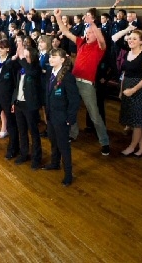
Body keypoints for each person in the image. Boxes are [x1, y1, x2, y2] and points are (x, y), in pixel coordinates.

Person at [53, 8, 109, 154]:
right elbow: (65, 32)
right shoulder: (81, 43)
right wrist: (58, 17)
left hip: (86, 84)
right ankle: (73, 133)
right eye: (87, 32)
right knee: (71, 109)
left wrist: (92, 24)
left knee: (94, 114)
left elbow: (101, 39)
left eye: (90, 32)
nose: (88, 34)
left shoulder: (99, 47)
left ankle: (104, 142)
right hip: (72, 81)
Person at [42, 48, 81, 186]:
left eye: (54, 57)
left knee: (64, 145)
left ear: (62, 60)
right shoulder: (49, 74)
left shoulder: (67, 77)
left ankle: (68, 174)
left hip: (62, 117)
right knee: (53, 140)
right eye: (50, 56)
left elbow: (74, 100)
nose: (51, 59)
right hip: (51, 115)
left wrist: (70, 118)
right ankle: (55, 162)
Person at [115, 29, 142, 157]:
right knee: (136, 120)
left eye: (134, 38)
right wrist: (121, 90)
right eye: (130, 38)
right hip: (127, 86)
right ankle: (141, 147)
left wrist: (133, 89)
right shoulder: (127, 54)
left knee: (138, 121)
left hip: (140, 89)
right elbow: (125, 74)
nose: (130, 40)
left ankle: (132, 146)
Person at [11, 45, 43, 169]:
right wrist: (14, 101)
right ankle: (24, 153)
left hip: (30, 105)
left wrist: (22, 59)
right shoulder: (21, 68)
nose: (25, 58)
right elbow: (16, 85)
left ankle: (36, 158)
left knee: (34, 132)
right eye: (24, 56)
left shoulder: (36, 69)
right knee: (22, 131)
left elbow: (30, 71)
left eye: (27, 57)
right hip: (19, 103)